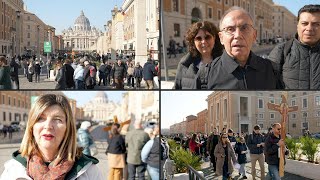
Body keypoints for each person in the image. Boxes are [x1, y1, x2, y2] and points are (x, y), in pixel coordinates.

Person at [0, 94, 103, 179]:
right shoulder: (13, 170)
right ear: (32, 126)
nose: (48, 126)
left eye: (58, 119)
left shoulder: (90, 171)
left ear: (68, 128)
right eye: (40, 118)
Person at [207, 7, 276, 89]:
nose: (238, 35)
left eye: (244, 28)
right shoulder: (205, 75)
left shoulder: (272, 70)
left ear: (254, 35)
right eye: (230, 29)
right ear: (221, 38)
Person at [269, 4, 320, 89]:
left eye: (316, 24)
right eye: (304, 23)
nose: (309, 28)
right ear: (297, 26)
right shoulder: (281, 50)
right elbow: (267, 83)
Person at [173, 21, 223, 89]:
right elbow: (176, 89)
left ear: (214, 38)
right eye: (199, 38)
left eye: (207, 37)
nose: (203, 42)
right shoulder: (184, 64)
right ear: (193, 42)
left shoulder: (226, 63)